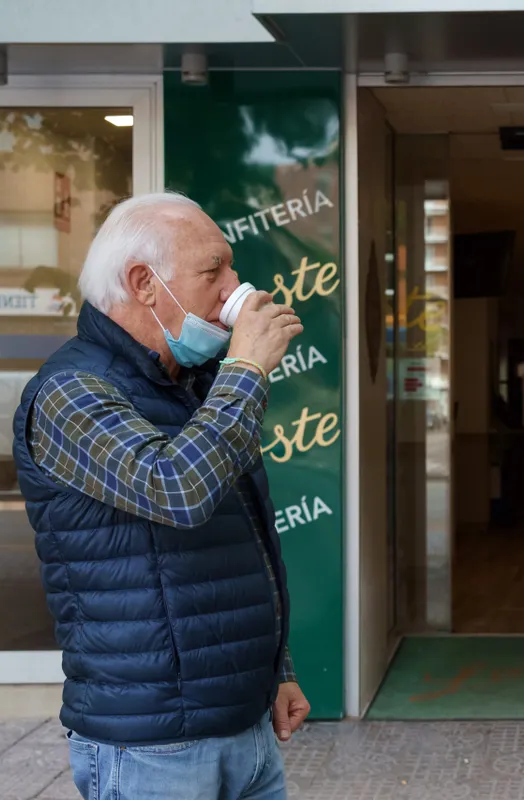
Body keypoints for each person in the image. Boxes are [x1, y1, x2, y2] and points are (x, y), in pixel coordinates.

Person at [11, 193, 310, 799]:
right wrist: (246, 370)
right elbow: (178, 491)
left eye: (230, 267)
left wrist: (276, 670)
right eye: (213, 270)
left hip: (245, 724)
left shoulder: (197, 384)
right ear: (144, 284)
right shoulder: (71, 392)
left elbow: (247, 541)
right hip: (152, 746)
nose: (234, 287)